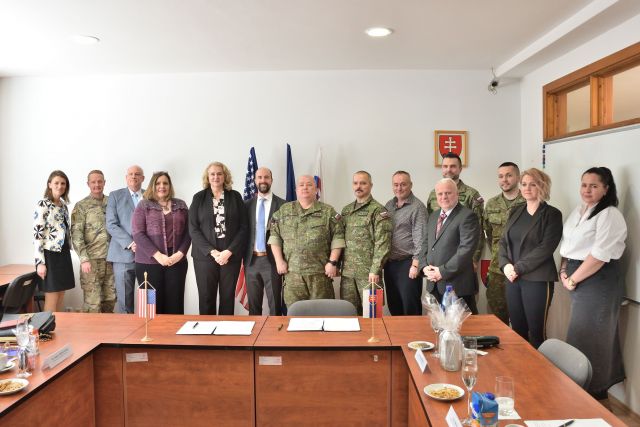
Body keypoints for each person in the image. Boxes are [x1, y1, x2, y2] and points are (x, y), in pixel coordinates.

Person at [559, 167, 627, 399]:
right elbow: (567, 245)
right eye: (584, 185)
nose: (587, 190)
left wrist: (573, 279)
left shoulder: (609, 214)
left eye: (594, 186)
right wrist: (564, 271)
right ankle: (585, 392)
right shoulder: (580, 211)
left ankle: (593, 395)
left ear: (606, 189)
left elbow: (599, 256)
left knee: (589, 337)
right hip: (577, 276)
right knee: (589, 335)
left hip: (598, 279)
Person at [498, 168, 562, 348]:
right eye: (524, 184)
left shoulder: (552, 214)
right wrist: (505, 265)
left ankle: (538, 367)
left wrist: (517, 268)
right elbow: (503, 242)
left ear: (542, 187)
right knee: (517, 330)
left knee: (536, 332)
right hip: (512, 279)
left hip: (537, 280)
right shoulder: (515, 211)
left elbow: (545, 248)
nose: (527, 188)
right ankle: (520, 365)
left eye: (532, 184)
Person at [268, 175, 345, 306]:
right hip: (292, 275)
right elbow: (275, 237)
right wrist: (279, 261)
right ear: (296, 189)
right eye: (301, 185)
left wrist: (332, 262)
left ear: (316, 189)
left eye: (309, 184)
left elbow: (338, 237)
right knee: (295, 314)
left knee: (321, 313)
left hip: (320, 275)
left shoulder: (328, 211)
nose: (305, 187)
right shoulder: (284, 211)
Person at [189, 162, 248, 315]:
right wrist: (213, 252)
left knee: (227, 299)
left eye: (219, 173)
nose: (216, 177)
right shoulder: (198, 197)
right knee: (206, 298)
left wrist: (229, 251)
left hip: (230, 257)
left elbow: (243, 227)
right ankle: (206, 330)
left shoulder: (235, 196)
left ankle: (225, 329)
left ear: (225, 176)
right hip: (205, 257)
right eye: (212, 174)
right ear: (207, 177)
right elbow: (193, 229)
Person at [132, 171, 191, 314]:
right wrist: (158, 256)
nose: (162, 186)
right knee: (150, 307)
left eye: (165, 183)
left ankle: (173, 330)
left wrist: (180, 254)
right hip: (148, 263)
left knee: (174, 305)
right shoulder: (143, 205)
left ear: (170, 186)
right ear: (152, 185)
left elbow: (189, 232)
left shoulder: (181, 205)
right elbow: (138, 234)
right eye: (158, 183)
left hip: (176, 262)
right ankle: (152, 329)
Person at [419, 178, 479, 313]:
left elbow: (466, 250)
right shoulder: (433, 216)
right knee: (437, 323)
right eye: (440, 194)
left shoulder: (467, 216)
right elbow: (425, 244)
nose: (444, 197)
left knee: (464, 325)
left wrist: (441, 271)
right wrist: (424, 267)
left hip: (457, 285)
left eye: (448, 193)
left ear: (457, 194)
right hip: (434, 285)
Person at [340, 171, 392, 315]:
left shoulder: (378, 210)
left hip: (369, 275)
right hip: (348, 275)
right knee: (349, 315)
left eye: (363, 183)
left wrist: (375, 269)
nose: (359, 186)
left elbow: (383, 243)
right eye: (355, 183)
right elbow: (340, 239)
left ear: (370, 185)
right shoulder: (346, 211)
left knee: (372, 315)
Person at [482, 162, 525, 324]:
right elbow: (488, 234)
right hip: (497, 270)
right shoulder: (491, 204)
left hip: (523, 269)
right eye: (501, 176)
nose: (504, 180)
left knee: (523, 320)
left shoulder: (528, 201)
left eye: (509, 175)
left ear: (518, 177)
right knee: (497, 319)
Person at [427, 153, 484, 269]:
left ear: (460, 169)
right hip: (437, 259)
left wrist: (474, 259)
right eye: (445, 166)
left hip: (461, 259)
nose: (448, 170)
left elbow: (479, 230)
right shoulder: (433, 194)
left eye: (453, 166)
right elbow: (431, 228)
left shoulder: (471, 194)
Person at [71, 170, 116, 313]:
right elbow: (76, 234)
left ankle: (107, 328)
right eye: (93, 182)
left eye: (100, 181)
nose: (97, 184)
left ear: (104, 182)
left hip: (111, 260)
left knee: (110, 301)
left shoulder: (112, 202)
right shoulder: (81, 206)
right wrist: (83, 259)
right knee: (93, 305)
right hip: (91, 262)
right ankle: (91, 329)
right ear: (88, 184)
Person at [383, 171, 428, 315]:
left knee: (410, 307)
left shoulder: (417, 207)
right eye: (396, 185)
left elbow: (421, 239)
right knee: (394, 305)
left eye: (403, 184)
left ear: (410, 185)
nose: (399, 188)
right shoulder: (389, 205)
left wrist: (415, 265)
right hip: (390, 265)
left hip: (408, 264)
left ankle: (413, 331)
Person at [243, 167, 285, 315]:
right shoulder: (246, 205)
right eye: (259, 177)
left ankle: (276, 330)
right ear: (255, 180)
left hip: (272, 261)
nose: (263, 180)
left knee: (275, 306)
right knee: (253, 307)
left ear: (271, 180)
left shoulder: (283, 205)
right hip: (251, 261)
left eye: (266, 177)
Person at [33, 170, 75, 312]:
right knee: (52, 296)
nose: (60, 186)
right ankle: (47, 326)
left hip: (63, 253)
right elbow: (37, 234)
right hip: (49, 255)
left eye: (63, 183)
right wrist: (40, 263)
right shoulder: (43, 204)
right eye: (56, 183)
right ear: (49, 184)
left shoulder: (63, 206)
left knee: (61, 295)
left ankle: (58, 324)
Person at [107, 165, 145, 313]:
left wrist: (144, 244)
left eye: (137, 174)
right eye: (130, 174)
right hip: (122, 255)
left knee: (148, 299)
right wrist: (130, 243)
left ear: (143, 178)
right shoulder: (115, 196)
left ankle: (148, 325)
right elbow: (111, 224)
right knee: (124, 301)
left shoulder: (151, 195)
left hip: (148, 256)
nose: (133, 176)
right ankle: (127, 328)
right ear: (126, 177)